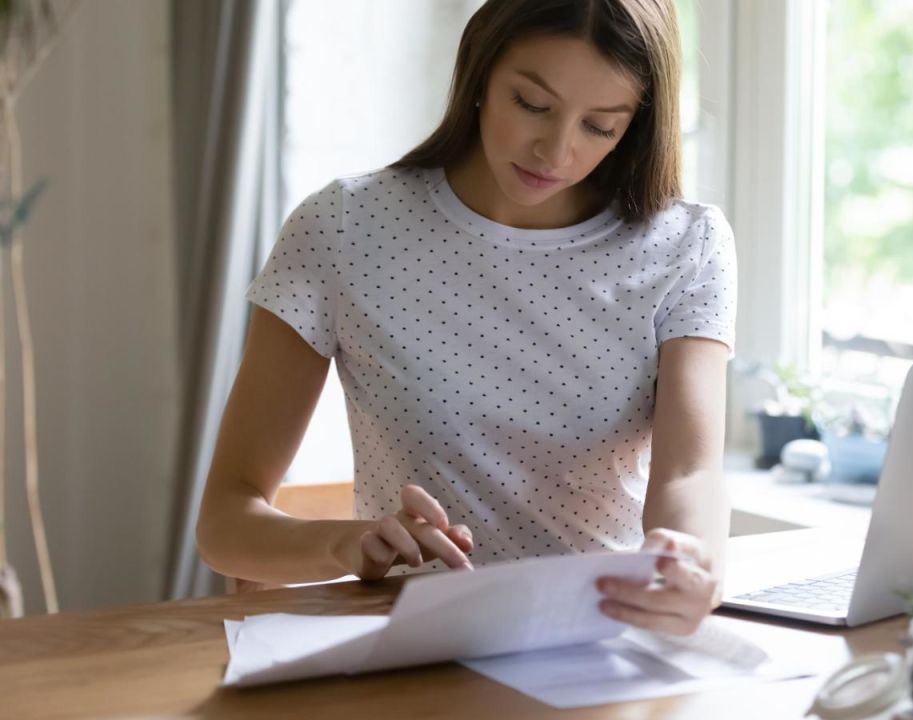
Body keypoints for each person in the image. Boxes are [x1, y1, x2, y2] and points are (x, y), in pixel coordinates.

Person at [196, 0, 737, 636]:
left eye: (600, 126)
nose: (556, 151)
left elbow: (691, 473)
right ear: (480, 71)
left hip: (601, 642)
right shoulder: (344, 228)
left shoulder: (685, 244)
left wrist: (688, 558)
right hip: (417, 652)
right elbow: (226, 523)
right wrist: (347, 544)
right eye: (532, 104)